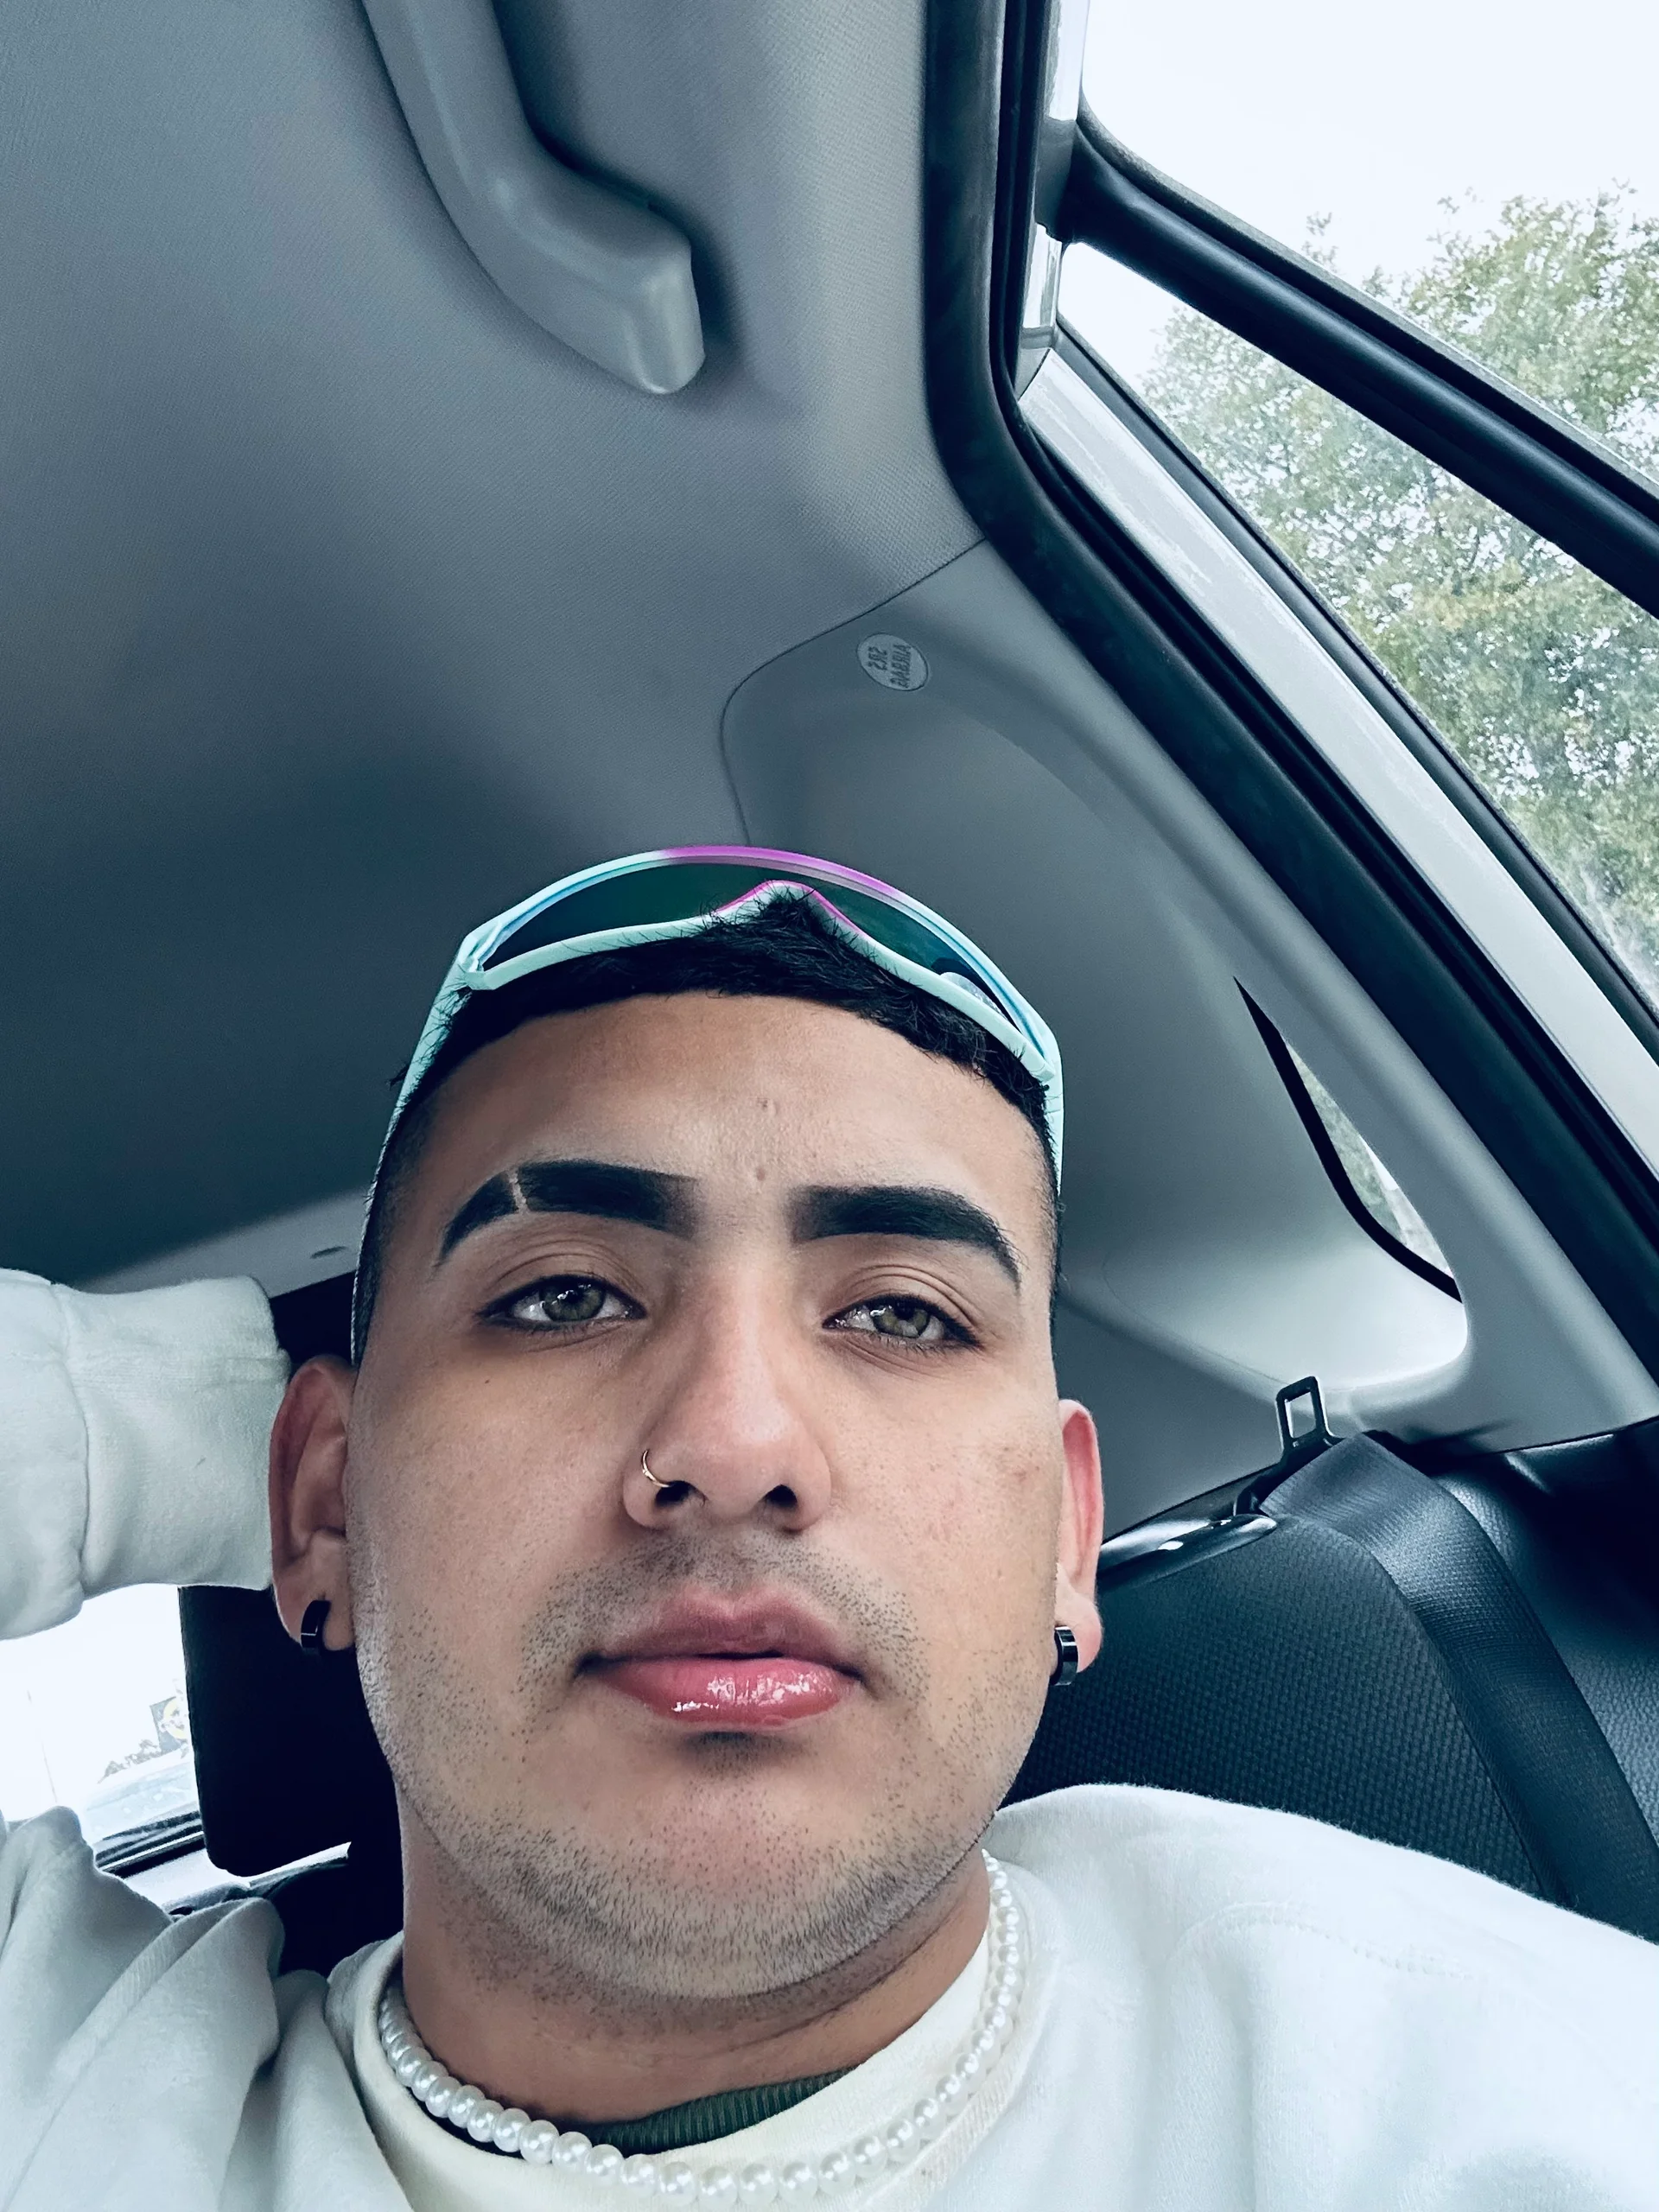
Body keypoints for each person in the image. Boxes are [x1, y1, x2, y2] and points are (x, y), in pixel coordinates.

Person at [1, 846, 1654, 2212]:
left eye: (905, 1315)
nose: (735, 1450)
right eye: (562, 1295)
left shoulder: (1496, 2099)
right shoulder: (60, 2074)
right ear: (319, 1503)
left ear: (1065, 1542)